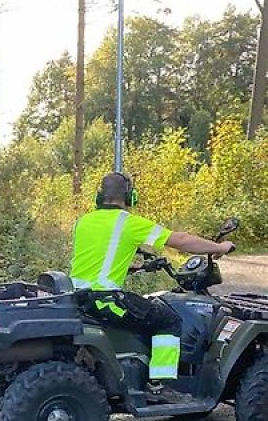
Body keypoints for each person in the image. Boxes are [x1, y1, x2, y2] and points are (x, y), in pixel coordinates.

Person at [70, 172, 235, 402]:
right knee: (168, 319)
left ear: (99, 196)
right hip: (105, 300)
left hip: (78, 298)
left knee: (144, 309)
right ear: (130, 196)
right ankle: (159, 385)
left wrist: (132, 267)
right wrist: (219, 246)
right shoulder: (127, 223)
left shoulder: (83, 222)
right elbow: (181, 240)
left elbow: (97, 258)